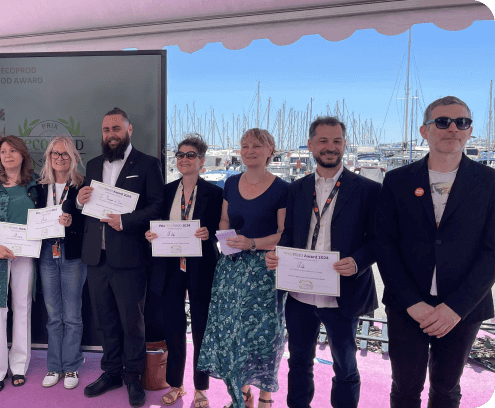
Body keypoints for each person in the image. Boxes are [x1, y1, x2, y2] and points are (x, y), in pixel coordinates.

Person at [375, 96, 495, 408]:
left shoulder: (490, 183)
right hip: (407, 307)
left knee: (446, 389)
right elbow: (385, 245)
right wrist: (412, 302)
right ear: (424, 130)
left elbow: (492, 252)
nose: (453, 128)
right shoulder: (397, 180)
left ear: (469, 132)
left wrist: (456, 308)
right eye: (442, 121)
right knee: (404, 389)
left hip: (463, 308)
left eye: (462, 122)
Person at [265, 116, 380, 408]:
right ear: (311, 145)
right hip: (300, 293)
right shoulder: (297, 189)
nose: (330, 147)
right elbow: (289, 233)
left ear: (344, 144)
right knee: (299, 363)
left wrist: (357, 262)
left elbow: (379, 240)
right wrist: (278, 254)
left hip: (344, 293)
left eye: (337, 141)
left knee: (345, 367)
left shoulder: (368, 189)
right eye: (324, 141)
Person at [78, 107, 164, 407]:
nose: (110, 134)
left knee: (132, 321)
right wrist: (79, 200)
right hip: (96, 257)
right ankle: (111, 372)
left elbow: (157, 207)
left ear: (129, 130)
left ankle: (133, 376)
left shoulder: (149, 164)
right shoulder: (91, 165)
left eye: (116, 128)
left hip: (129, 257)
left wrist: (126, 221)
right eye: (105, 130)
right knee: (104, 321)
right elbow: (84, 208)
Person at [197, 128, 288, 408]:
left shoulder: (282, 188)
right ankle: (243, 394)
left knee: (266, 334)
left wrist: (251, 243)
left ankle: (266, 398)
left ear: (270, 150)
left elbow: (284, 234)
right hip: (231, 268)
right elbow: (224, 221)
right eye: (245, 145)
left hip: (264, 270)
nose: (250, 151)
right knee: (232, 333)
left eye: (257, 146)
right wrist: (225, 239)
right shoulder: (231, 182)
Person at [144, 135, 223, 408]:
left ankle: (201, 388)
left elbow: (222, 230)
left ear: (201, 160)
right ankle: (176, 385)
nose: (184, 159)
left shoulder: (215, 193)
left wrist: (209, 232)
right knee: (174, 327)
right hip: (169, 268)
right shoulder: (165, 192)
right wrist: (151, 235)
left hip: (202, 268)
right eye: (180, 154)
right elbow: (156, 225)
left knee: (202, 328)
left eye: (190, 155)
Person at [0, 135, 41, 392]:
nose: (8, 155)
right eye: (3, 151)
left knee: (22, 306)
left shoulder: (35, 183)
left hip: (25, 252)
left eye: (14, 150)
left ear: (23, 154)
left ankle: (19, 366)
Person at [37, 136, 87, 389]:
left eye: (65, 154)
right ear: (48, 157)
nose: (59, 158)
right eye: (55, 154)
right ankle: (54, 366)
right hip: (46, 251)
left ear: (74, 158)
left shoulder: (82, 186)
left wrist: (73, 221)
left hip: (72, 253)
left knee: (72, 314)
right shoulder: (38, 187)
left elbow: (90, 221)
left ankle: (71, 367)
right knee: (53, 314)